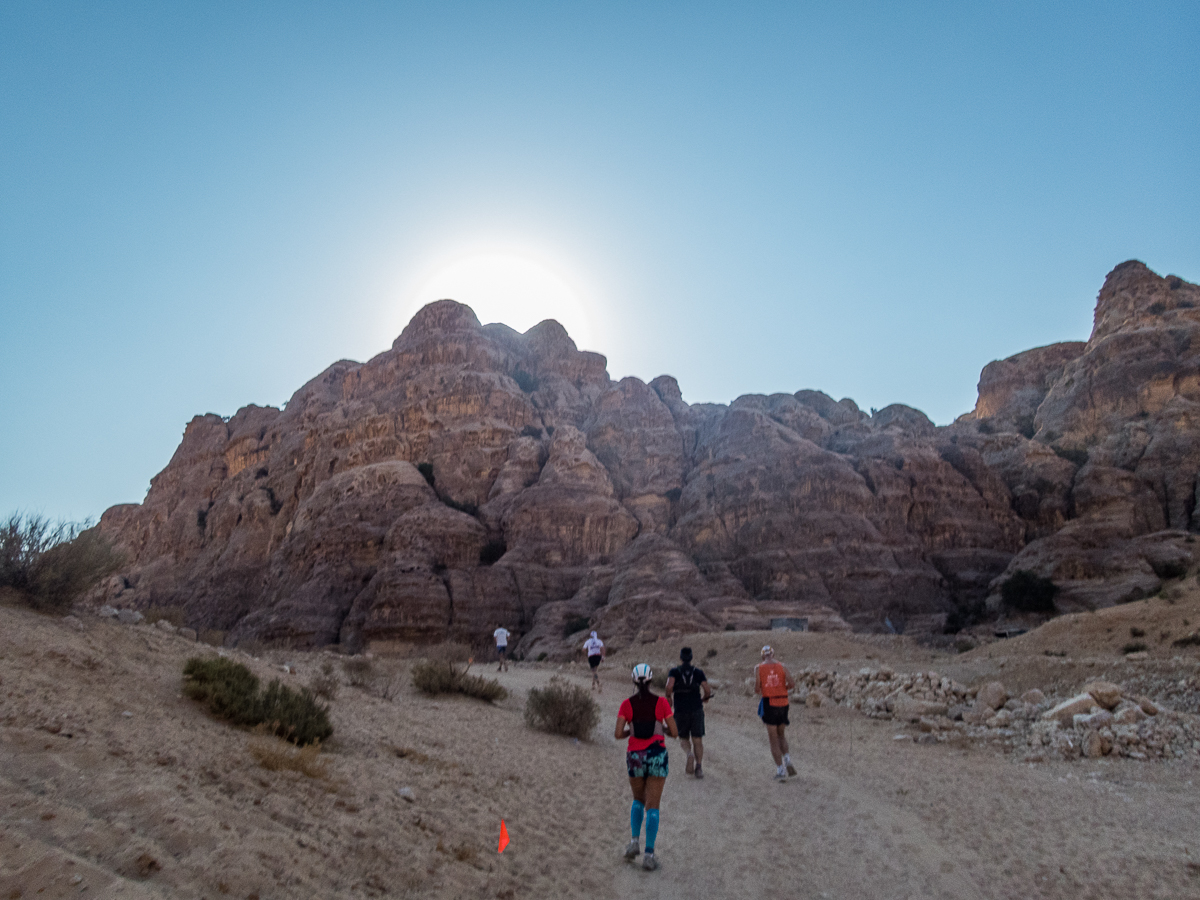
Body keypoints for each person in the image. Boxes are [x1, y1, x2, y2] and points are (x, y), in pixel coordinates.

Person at [615, 663, 678, 871]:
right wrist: (663, 730)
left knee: (637, 800)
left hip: (635, 756)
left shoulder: (627, 704)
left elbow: (617, 733)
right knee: (653, 805)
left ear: (634, 681)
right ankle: (649, 855)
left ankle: (634, 842)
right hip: (657, 755)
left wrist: (630, 733)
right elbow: (675, 732)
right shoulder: (661, 703)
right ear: (651, 680)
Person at [665, 647, 711, 778]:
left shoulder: (674, 671)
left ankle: (688, 754)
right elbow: (707, 689)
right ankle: (699, 767)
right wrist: (705, 698)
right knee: (697, 739)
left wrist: (669, 698)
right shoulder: (698, 672)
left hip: (681, 710)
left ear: (680, 658)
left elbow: (669, 687)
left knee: (683, 737)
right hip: (696, 708)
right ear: (691, 658)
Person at [753, 645, 796, 780]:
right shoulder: (782, 666)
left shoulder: (758, 668)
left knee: (773, 739)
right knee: (781, 734)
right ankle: (787, 758)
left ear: (762, 655)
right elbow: (792, 683)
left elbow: (757, 689)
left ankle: (780, 770)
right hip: (783, 702)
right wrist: (782, 688)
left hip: (769, 703)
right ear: (773, 654)